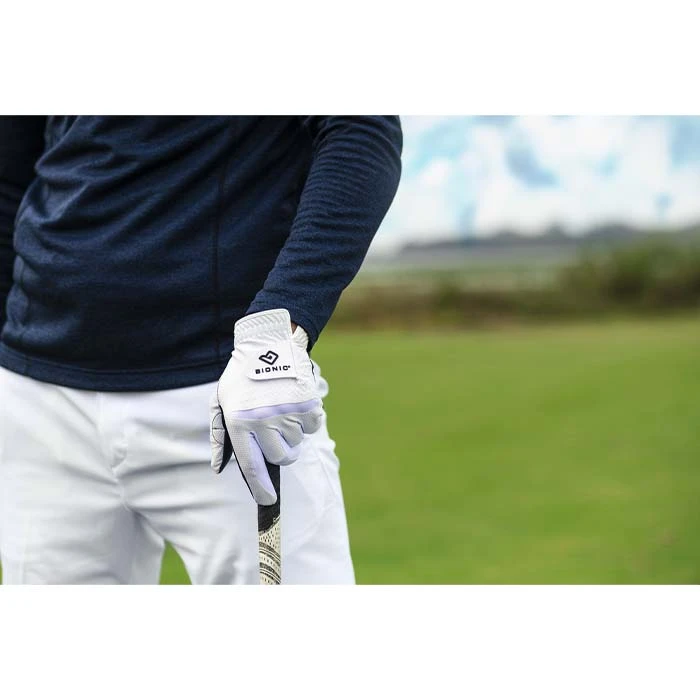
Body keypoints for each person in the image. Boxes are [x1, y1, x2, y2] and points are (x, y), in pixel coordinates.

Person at [0, 116, 402, 584]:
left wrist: (281, 324)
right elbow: (9, 173)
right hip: (40, 400)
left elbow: (360, 129)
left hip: (234, 394)